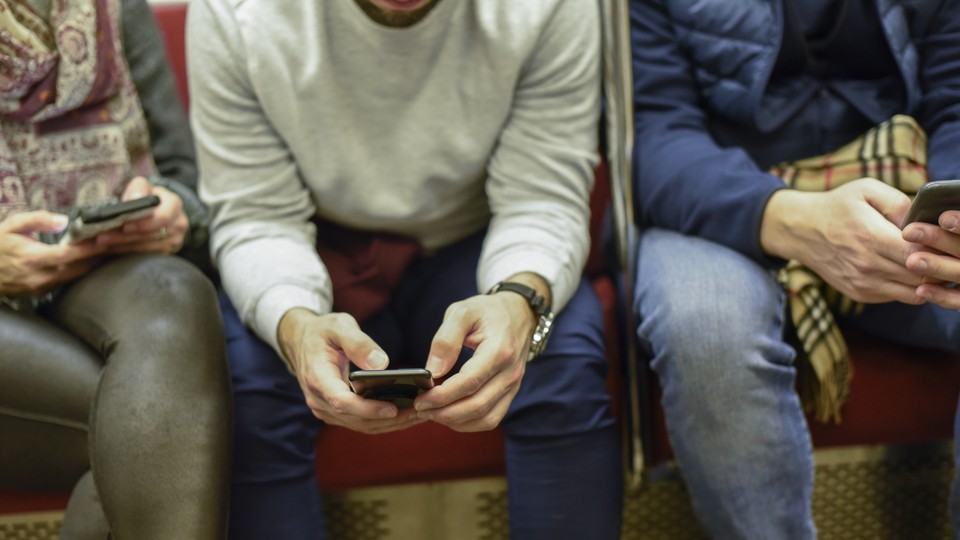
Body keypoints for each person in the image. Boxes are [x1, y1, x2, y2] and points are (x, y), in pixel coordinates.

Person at [187, 0, 624, 538]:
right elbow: (256, 213)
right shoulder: (232, 12)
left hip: (478, 238)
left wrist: (518, 302)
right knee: (247, 396)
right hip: (319, 247)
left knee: (561, 364)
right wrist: (296, 329)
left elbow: (543, 195)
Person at [629, 0, 960, 538]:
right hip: (717, 206)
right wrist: (795, 219)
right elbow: (652, 135)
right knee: (707, 328)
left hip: (900, 187)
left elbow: (954, 100)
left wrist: (950, 214)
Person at [0, 0, 231, 538]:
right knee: (158, 421)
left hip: (101, 263)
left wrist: (172, 212)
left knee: (175, 292)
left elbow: (181, 176)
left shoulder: (116, 7)